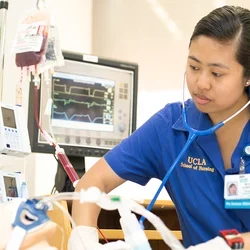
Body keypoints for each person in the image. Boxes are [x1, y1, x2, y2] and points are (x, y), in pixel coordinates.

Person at [70, 5, 250, 249]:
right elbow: (92, 182)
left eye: (217, 74)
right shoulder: (171, 127)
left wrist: (225, 246)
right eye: (194, 67)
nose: (201, 83)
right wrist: (83, 237)